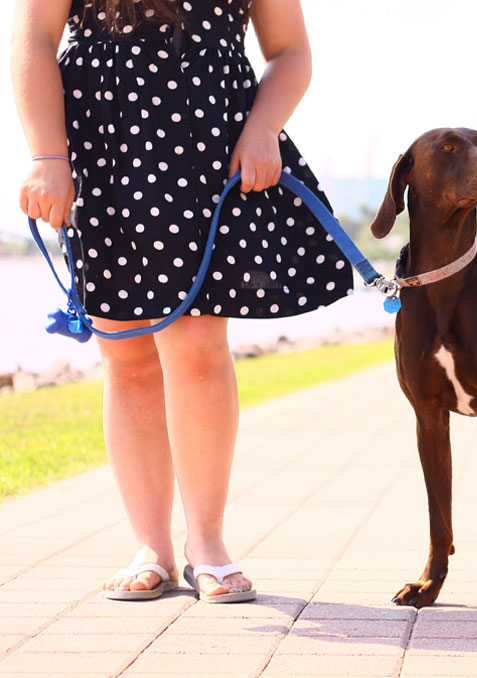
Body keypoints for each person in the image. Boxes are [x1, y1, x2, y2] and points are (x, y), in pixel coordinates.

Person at [12, 0, 353, 602]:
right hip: (101, 144)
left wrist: (263, 128)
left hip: (209, 143)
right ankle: (153, 548)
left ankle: (207, 544)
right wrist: (47, 154)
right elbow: (32, 38)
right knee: (126, 352)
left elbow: (292, 53)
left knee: (197, 343)